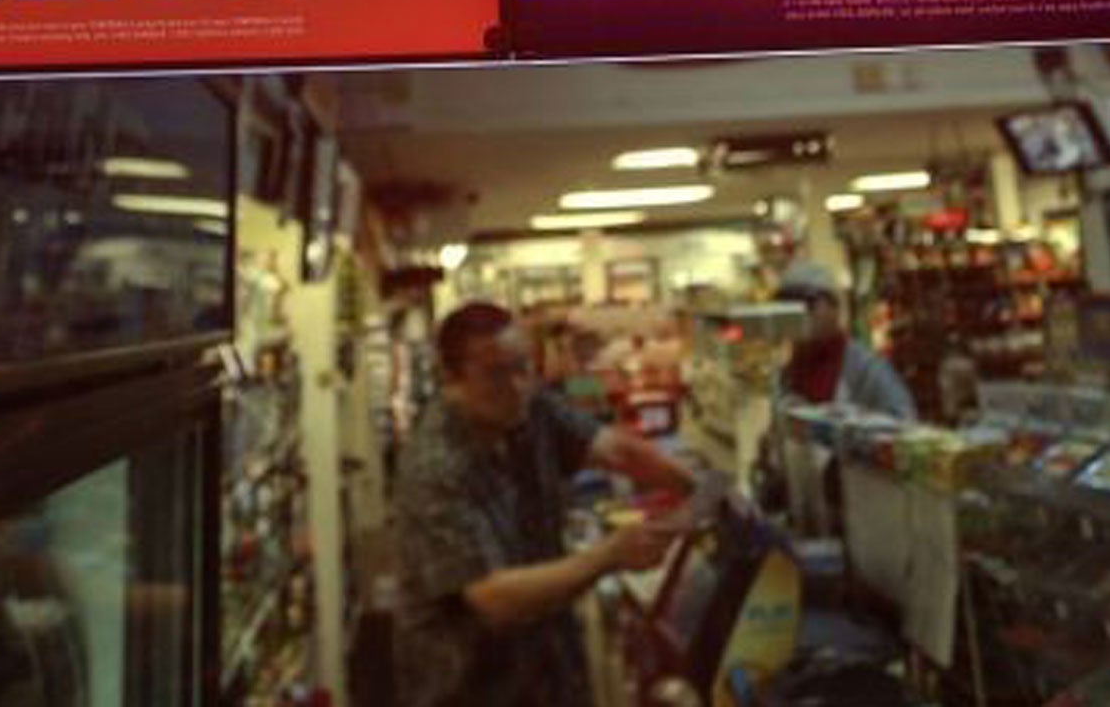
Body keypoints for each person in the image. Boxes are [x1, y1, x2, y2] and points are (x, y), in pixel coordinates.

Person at [392, 301, 700, 707]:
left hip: (547, 671)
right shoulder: (435, 466)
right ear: (451, 378)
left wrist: (700, 490)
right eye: (496, 374)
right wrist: (608, 556)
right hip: (473, 688)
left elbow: (615, 450)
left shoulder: (527, 408)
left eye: (524, 367)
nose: (518, 385)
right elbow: (492, 598)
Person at [775, 260, 916, 418]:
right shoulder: (787, 374)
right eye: (788, 308)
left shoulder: (865, 368)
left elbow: (904, 421)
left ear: (835, 308)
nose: (800, 316)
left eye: (808, 304)